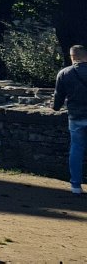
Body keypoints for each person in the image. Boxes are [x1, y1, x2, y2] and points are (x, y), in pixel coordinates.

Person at [52, 44, 87, 196]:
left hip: (76, 117)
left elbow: (58, 97)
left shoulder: (64, 73)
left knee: (76, 149)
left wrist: (55, 107)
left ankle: (76, 186)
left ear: (72, 57)